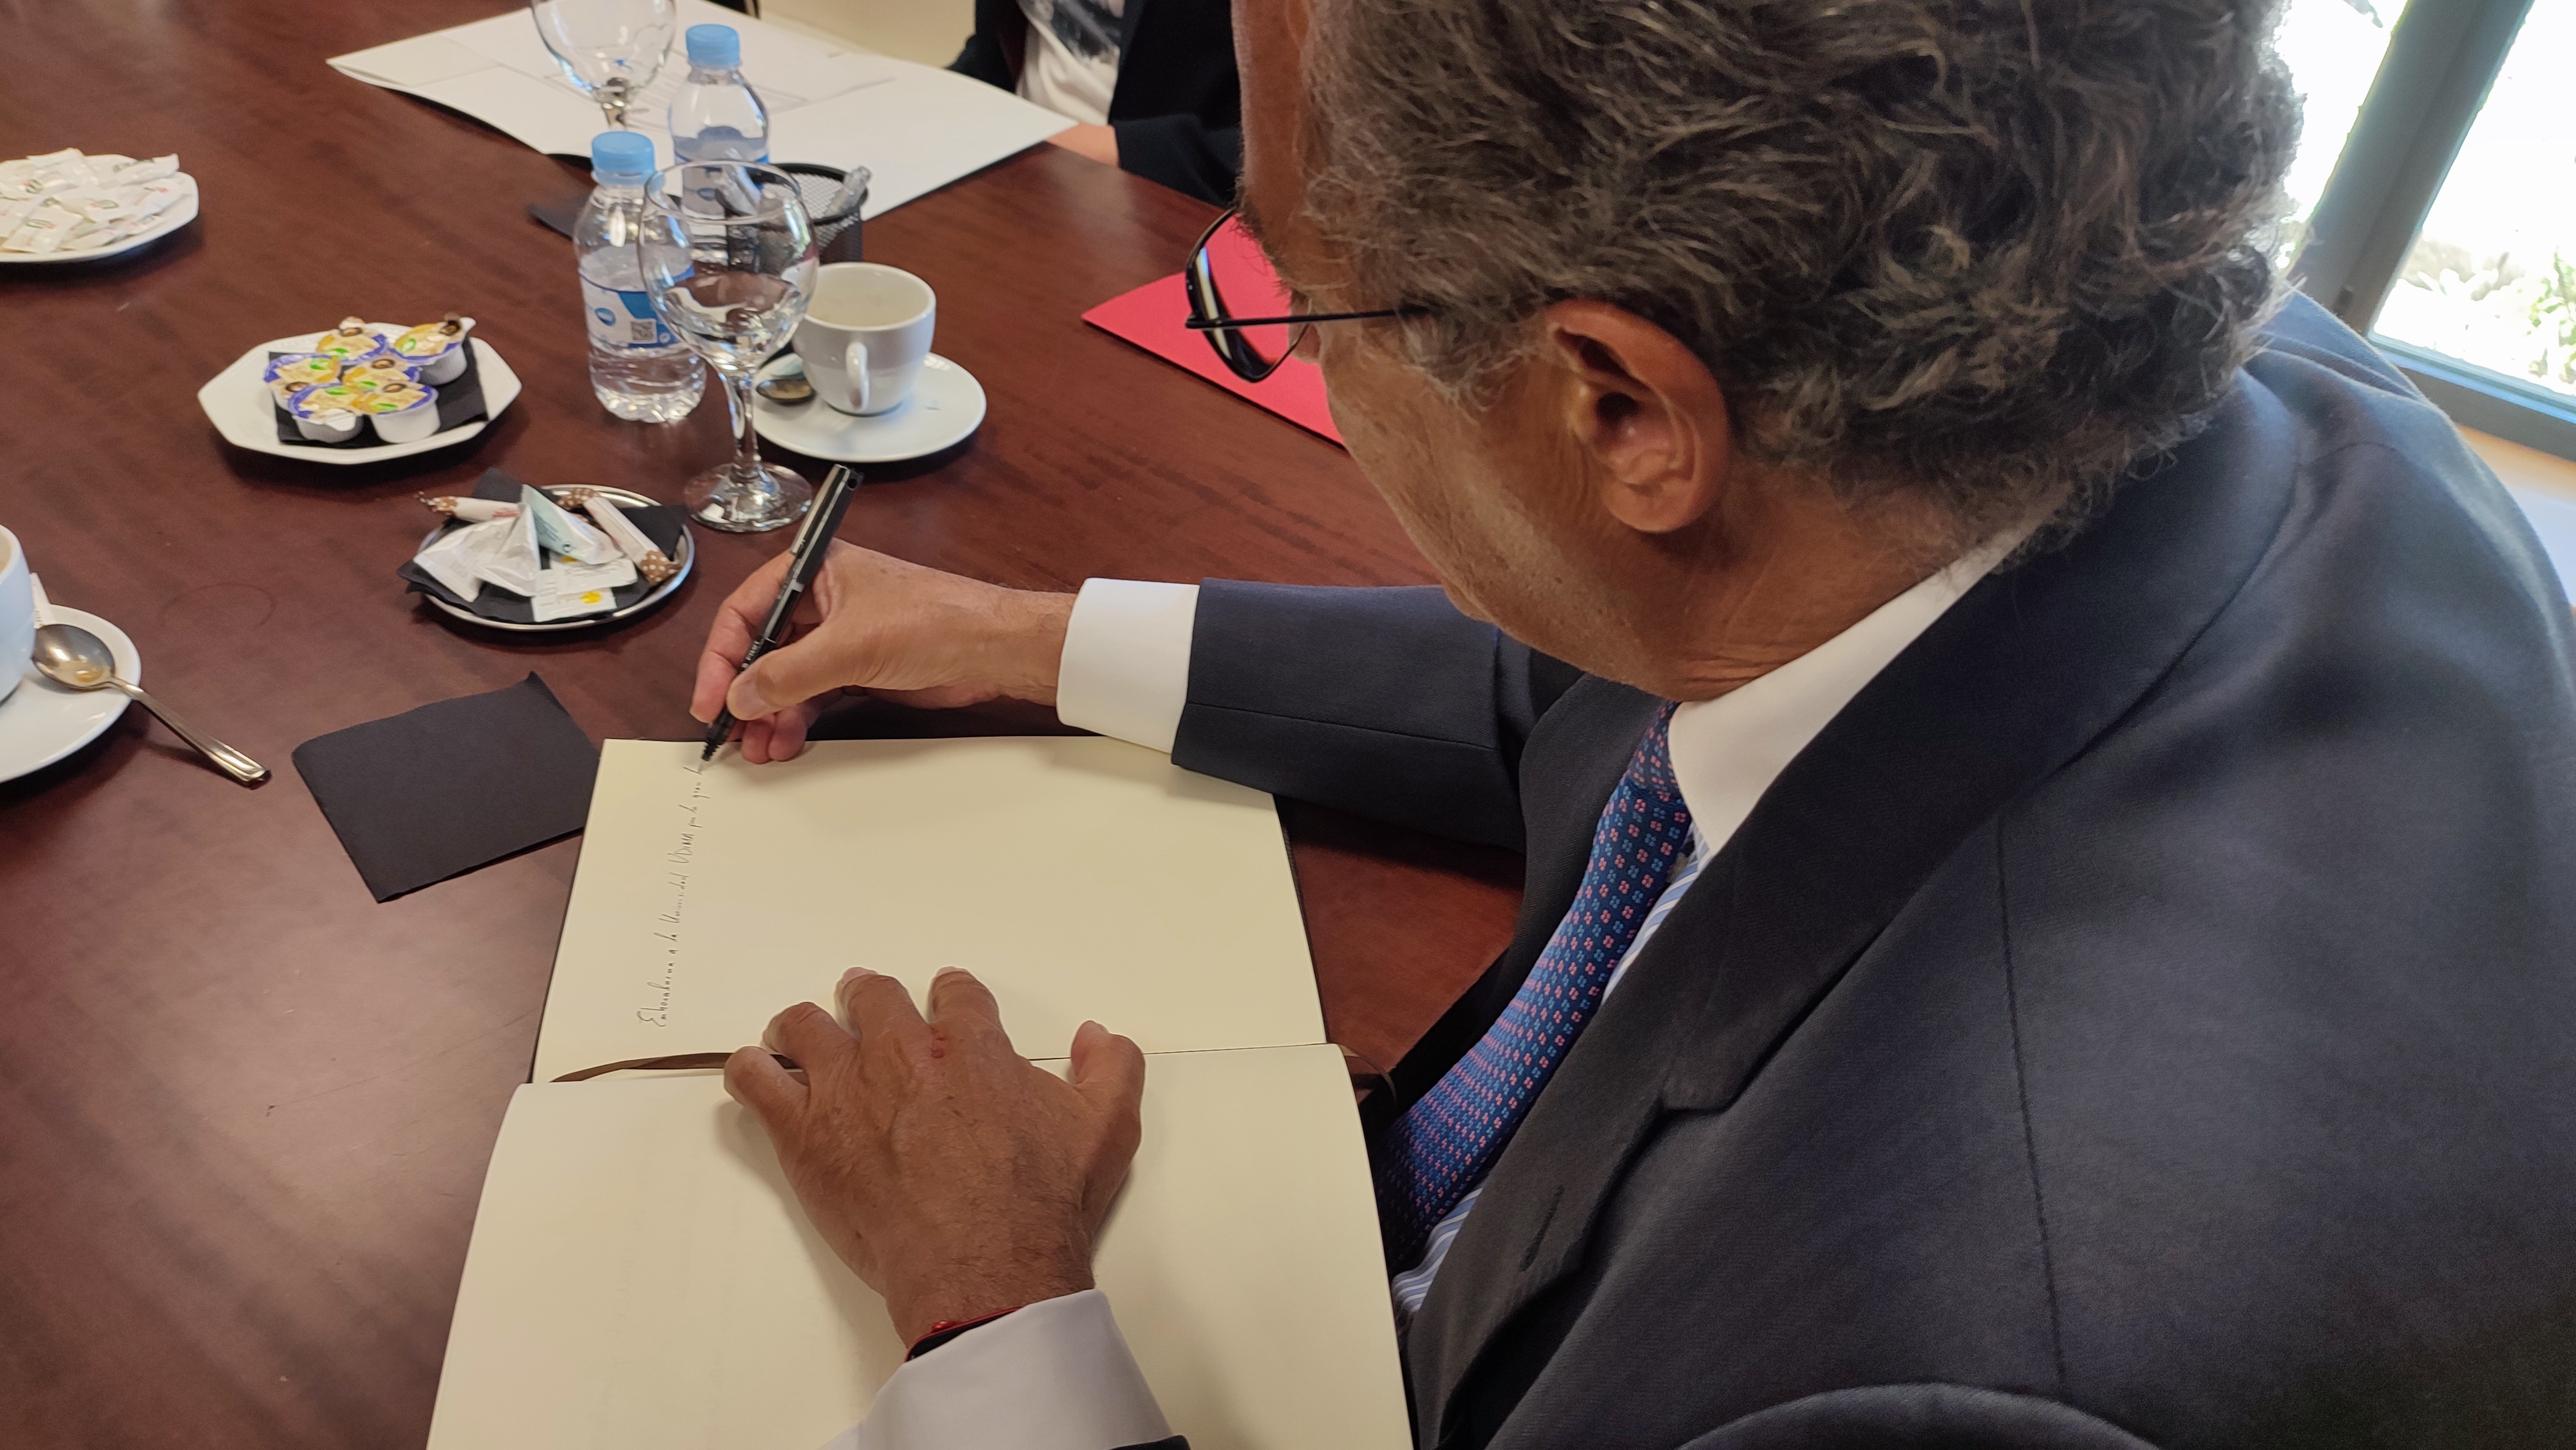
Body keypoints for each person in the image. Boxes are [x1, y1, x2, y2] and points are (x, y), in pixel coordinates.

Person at [699, 0, 2576, 1444]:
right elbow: (1617, 647)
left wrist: (993, 1308)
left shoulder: (1951, 1348)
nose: (1291, 339)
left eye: (1291, 289)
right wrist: (1027, 640)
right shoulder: (2188, 381)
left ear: (1618, 410)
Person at [952, 0, 1239, 204]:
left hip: (1162, 207)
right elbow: (1007, 39)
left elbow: (1253, 158)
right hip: (1012, 177)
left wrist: (1116, 149)